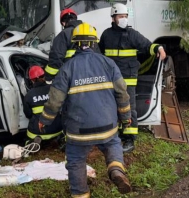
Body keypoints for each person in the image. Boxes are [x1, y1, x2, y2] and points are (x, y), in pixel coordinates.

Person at [41, 23, 132, 197]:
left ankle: (81, 193)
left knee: (76, 160)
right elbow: (123, 94)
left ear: (75, 44)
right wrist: (126, 117)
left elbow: (55, 102)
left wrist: (44, 120)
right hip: (107, 125)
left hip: (78, 131)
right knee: (113, 143)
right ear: (94, 43)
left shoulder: (66, 69)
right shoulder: (109, 63)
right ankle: (116, 170)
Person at [99, 3, 166, 153]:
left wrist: (159, 48)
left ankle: (129, 139)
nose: (123, 19)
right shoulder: (106, 35)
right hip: (110, 78)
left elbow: (148, 45)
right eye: (121, 16)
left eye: (125, 16)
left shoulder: (132, 34)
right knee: (110, 106)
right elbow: (99, 54)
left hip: (128, 78)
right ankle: (113, 134)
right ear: (113, 18)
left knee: (129, 108)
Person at [23, 65, 62, 148]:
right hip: (57, 129)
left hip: (38, 131)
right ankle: (57, 139)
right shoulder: (53, 89)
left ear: (32, 80)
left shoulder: (29, 95)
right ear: (44, 76)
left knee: (28, 136)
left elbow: (28, 115)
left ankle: (31, 143)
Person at [44, 8, 83, 83]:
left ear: (63, 23)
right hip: (91, 75)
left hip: (72, 78)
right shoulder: (89, 31)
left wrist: (48, 77)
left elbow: (56, 59)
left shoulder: (63, 35)